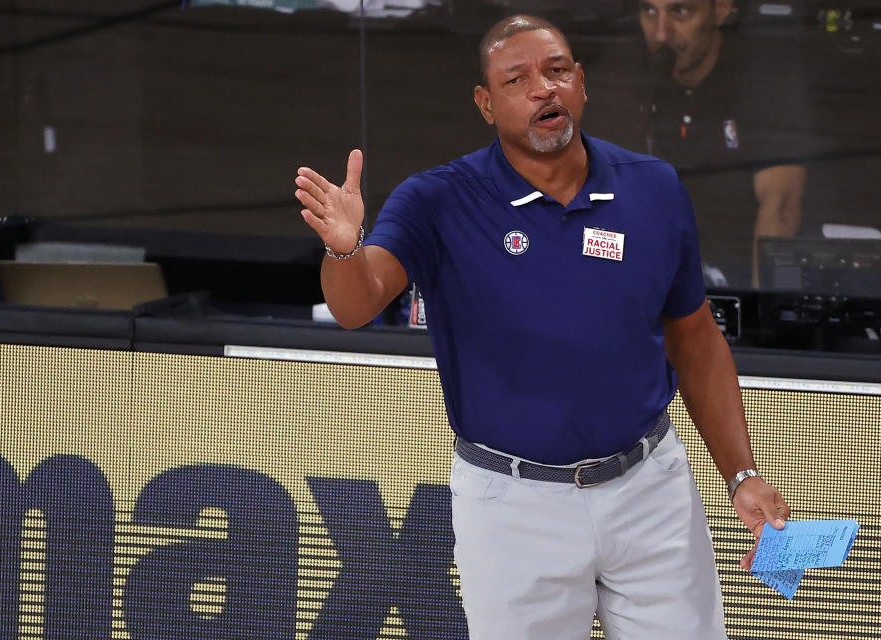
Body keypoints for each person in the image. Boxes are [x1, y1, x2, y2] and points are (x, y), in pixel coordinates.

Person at [294, 14, 789, 639]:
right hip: (513, 506)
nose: (543, 89)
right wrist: (344, 249)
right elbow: (355, 305)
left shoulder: (653, 188)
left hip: (648, 490)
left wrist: (741, 474)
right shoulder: (437, 200)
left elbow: (694, 336)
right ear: (485, 102)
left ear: (581, 83)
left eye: (557, 72)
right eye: (517, 79)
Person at [635, 0, 811, 287]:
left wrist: (758, 318)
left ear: (722, 9)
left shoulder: (763, 75)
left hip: (738, 280)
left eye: (681, 12)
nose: (661, 34)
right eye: (649, 12)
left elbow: (780, 207)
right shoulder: (635, 77)